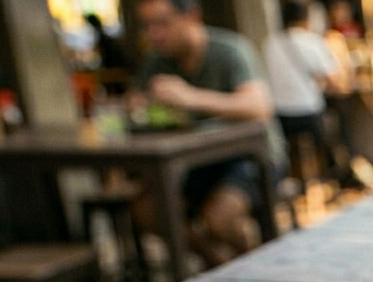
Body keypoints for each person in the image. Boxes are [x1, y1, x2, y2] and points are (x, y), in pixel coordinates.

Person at [133, 0, 286, 264]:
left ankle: (258, 268)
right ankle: (216, 262)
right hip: (196, 161)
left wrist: (190, 97)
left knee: (220, 218)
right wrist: (139, 105)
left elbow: (260, 107)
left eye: (161, 23)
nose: (153, 34)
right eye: (146, 26)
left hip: (249, 158)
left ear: (191, 16)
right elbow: (137, 102)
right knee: (148, 210)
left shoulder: (229, 49)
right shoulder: (157, 61)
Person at [264, 0, 347, 182]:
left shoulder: (271, 43)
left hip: (280, 115)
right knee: (339, 126)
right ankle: (333, 175)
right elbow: (334, 81)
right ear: (306, 19)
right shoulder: (311, 42)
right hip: (308, 113)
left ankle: (297, 179)